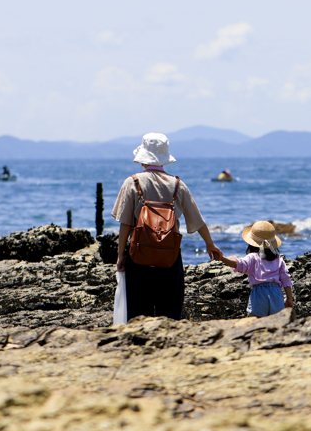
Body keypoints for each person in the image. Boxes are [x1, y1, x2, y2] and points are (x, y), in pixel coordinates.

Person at [111, 132, 223, 320]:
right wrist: (210, 244)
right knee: (170, 312)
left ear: (143, 158)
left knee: (139, 312)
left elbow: (125, 224)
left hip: (138, 255)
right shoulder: (178, 185)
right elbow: (197, 220)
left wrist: (121, 254)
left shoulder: (132, 182)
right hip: (169, 256)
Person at [213, 220, 294, 317]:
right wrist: (289, 298)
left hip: (259, 293)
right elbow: (286, 279)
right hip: (276, 294)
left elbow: (238, 264)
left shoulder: (253, 257)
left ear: (252, 243)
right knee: (276, 324)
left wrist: (222, 258)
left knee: (256, 324)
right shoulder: (278, 259)